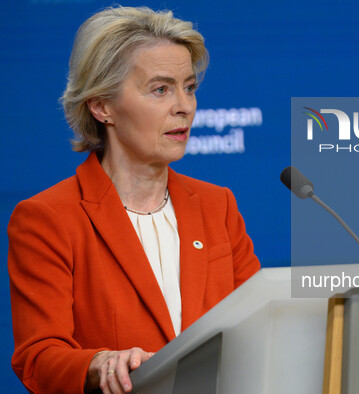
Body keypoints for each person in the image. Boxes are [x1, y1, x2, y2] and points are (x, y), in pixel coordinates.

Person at [7, 6, 260, 394]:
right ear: (102, 106)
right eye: (161, 89)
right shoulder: (47, 218)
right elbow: (38, 357)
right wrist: (99, 362)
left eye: (189, 87)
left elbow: (257, 325)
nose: (185, 106)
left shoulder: (217, 205)